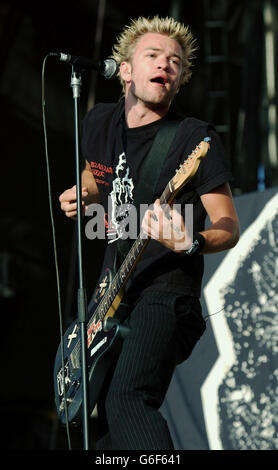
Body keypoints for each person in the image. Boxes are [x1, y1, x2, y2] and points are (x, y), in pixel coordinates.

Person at [59, 16, 240, 450]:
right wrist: (83, 191)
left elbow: (228, 225)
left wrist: (190, 242)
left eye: (175, 61)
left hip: (166, 291)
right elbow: (96, 171)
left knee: (128, 398)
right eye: (154, 55)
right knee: (97, 423)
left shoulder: (194, 138)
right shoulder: (99, 120)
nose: (166, 64)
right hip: (112, 291)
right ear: (125, 70)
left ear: (178, 81)